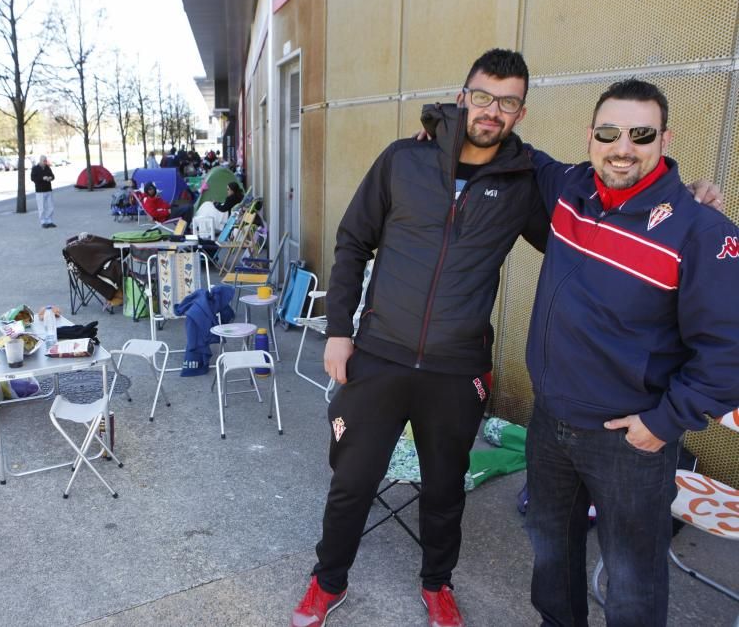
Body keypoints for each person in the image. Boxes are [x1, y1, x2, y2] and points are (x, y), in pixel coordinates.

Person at [291, 49, 549, 627]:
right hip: (380, 352)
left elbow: (583, 231)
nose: (492, 110)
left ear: (520, 113)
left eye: (507, 102)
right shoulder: (403, 160)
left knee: (443, 488)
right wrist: (338, 331)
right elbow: (353, 241)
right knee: (353, 481)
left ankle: (437, 584)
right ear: (463, 97)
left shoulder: (524, 182)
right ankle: (327, 581)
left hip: (457, 368)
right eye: (483, 96)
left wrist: (681, 200)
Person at [522, 79, 739, 627]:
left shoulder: (700, 229)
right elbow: (507, 147)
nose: (623, 147)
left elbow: (728, 350)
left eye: (641, 134)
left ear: (665, 139)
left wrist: (665, 423)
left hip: (629, 441)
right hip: (551, 422)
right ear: (589, 136)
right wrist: (438, 129)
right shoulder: (572, 188)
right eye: (609, 133)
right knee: (551, 555)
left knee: (632, 580)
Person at [30, 155, 56, 229]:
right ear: (40, 161)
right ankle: (43, 222)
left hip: (48, 189)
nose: (45, 162)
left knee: (51, 206)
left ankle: (49, 221)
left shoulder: (47, 167)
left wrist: (50, 178)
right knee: (41, 207)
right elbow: (33, 178)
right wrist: (42, 178)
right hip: (40, 191)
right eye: (44, 161)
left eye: (46, 161)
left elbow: (53, 176)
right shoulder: (35, 168)